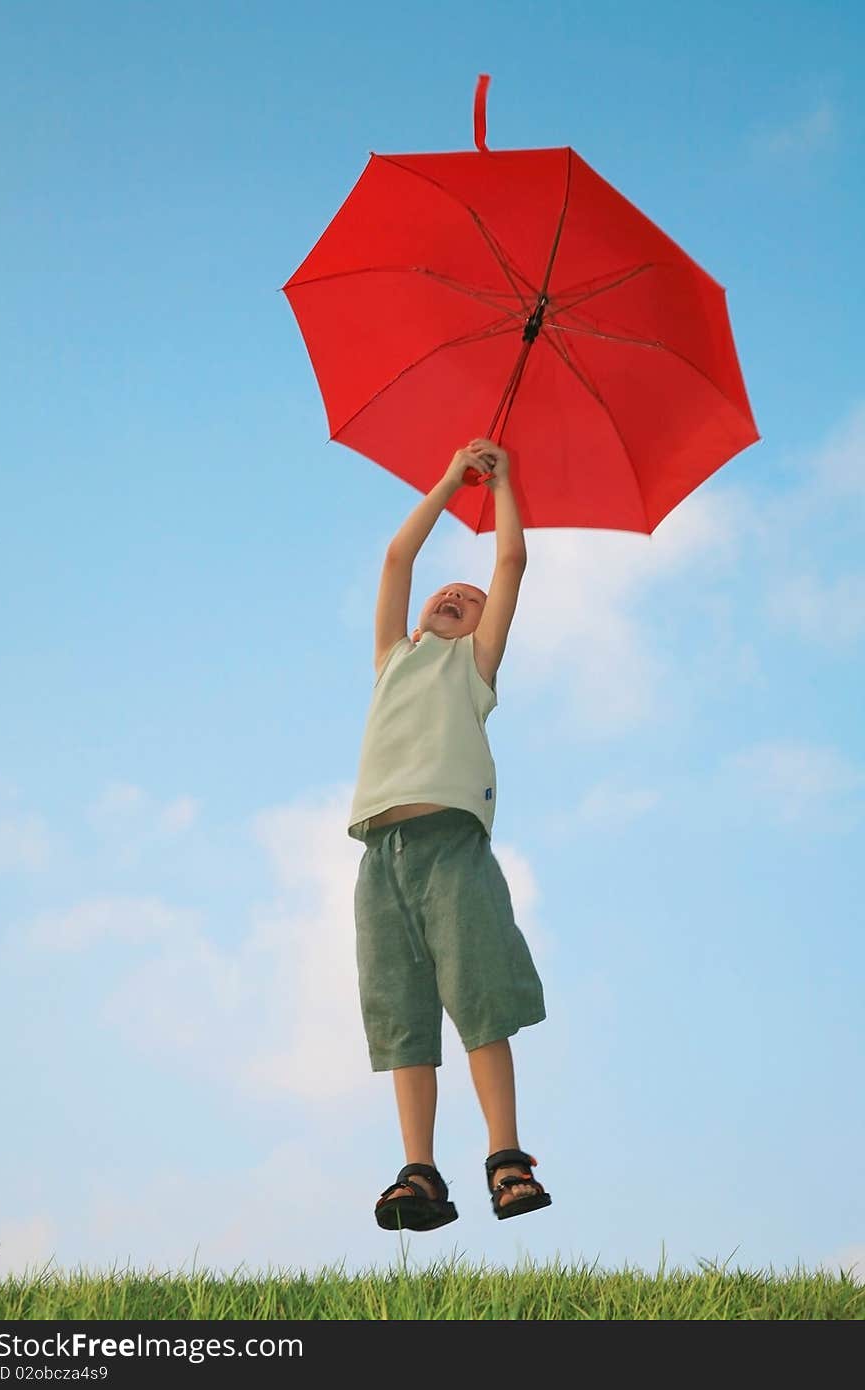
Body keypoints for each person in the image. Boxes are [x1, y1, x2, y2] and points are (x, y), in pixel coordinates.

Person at [347, 438, 551, 1230]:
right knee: (401, 1015)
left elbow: (511, 566)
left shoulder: (474, 668)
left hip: (452, 851)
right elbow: (399, 555)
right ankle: (419, 1172)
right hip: (379, 859)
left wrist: (504, 484)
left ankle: (507, 1157)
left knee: (479, 997)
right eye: (446, 592)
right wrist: (445, 479)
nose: (456, 596)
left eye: (468, 601)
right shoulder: (393, 657)